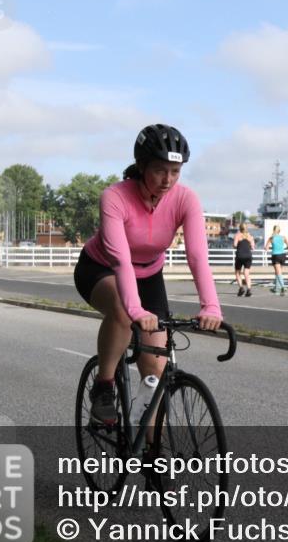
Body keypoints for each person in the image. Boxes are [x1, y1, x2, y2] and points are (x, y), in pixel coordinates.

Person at [73, 123, 222, 427]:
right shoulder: (115, 197)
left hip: (150, 274)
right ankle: (104, 387)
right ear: (141, 166)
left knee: (155, 379)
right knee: (123, 311)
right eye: (159, 170)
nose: (168, 180)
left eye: (176, 171)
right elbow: (121, 259)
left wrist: (211, 306)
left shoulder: (186, 199)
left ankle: (154, 463)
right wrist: (135, 309)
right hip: (101, 268)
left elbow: (196, 256)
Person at [268, 225, 288, 295]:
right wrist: (285, 248)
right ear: (279, 231)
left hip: (275, 255)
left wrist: (271, 247)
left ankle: (283, 287)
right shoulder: (283, 237)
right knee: (278, 272)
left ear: (273, 230)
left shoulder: (271, 238)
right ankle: (276, 288)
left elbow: (266, 248)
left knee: (278, 273)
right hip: (283, 255)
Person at [233, 223, 254, 297]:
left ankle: (241, 288)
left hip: (240, 255)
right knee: (246, 273)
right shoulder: (250, 236)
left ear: (240, 228)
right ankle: (248, 289)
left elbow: (235, 245)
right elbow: (253, 247)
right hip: (248, 256)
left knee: (237, 272)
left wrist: (238, 244)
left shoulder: (237, 235)